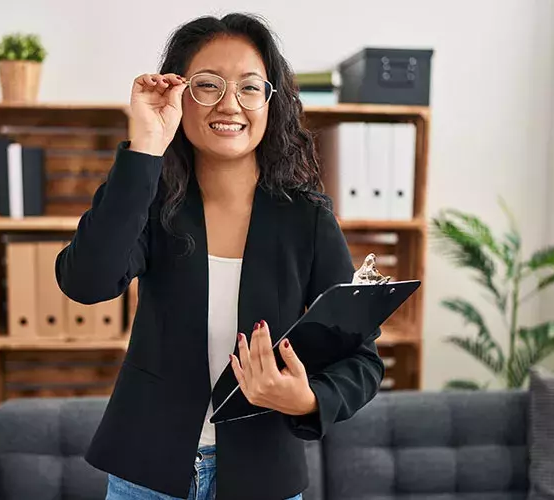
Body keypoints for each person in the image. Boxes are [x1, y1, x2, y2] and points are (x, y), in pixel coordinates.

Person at [55, 12, 385, 500]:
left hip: (262, 478)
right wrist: (146, 144)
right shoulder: (150, 199)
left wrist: (309, 398)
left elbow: (361, 358)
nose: (230, 104)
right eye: (208, 85)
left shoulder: (308, 220)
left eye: (250, 88)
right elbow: (86, 281)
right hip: (145, 472)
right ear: (180, 94)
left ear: (271, 103)